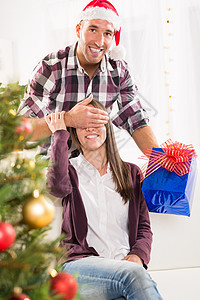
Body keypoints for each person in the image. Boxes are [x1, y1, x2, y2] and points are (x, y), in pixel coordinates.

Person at [46, 99, 163, 300]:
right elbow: (56, 186)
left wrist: (138, 255)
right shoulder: (70, 171)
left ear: (107, 127)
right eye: (83, 125)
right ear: (75, 132)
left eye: (96, 122)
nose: (90, 129)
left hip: (123, 266)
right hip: (80, 268)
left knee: (131, 279)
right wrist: (60, 132)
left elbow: (143, 227)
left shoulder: (131, 173)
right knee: (134, 275)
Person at [18, 0, 159, 157]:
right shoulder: (51, 67)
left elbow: (136, 121)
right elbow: (22, 128)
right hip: (54, 169)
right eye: (93, 29)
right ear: (79, 30)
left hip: (96, 170)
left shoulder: (119, 71)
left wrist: (161, 161)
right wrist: (68, 119)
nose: (99, 41)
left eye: (107, 33)